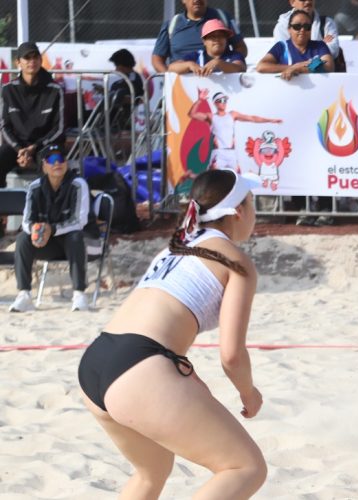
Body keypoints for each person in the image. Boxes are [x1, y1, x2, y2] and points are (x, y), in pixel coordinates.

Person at [77, 169, 267, 498]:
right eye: (253, 202)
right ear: (238, 210)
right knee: (245, 467)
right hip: (139, 368)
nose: (255, 212)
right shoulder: (235, 260)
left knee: (152, 471)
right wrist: (249, 393)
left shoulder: (175, 247)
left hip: (97, 360)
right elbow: (232, 356)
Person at [9, 144, 90, 313]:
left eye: (60, 159)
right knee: (23, 238)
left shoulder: (78, 184)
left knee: (75, 236)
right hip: (48, 244)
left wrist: (51, 229)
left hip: (78, 243)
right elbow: (26, 221)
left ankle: (79, 294)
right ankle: (24, 294)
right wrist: (36, 229)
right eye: (51, 160)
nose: (57, 163)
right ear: (44, 166)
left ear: (66, 163)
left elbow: (79, 221)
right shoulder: (35, 187)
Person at [1, 42, 63, 188]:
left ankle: (48, 208)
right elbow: (5, 126)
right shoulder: (8, 90)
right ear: (18, 62)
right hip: (19, 146)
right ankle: (3, 207)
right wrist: (20, 150)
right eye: (27, 58)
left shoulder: (55, 89)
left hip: (45, 144)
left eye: (35, 57)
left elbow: (58, 129)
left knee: (54, 163)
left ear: (41, 60)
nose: (32, 61)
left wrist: (34, 147)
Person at [188, 89, 282, 174]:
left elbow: (252, 118)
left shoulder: (232, 115)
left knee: (237, 178)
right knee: (214, 179)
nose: (224, 103)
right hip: (218, 153)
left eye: (225, 100)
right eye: (221, 101)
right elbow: (192, 114)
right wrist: (200, 100)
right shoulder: (211, 116)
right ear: (215, 103)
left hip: (231, 153)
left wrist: (270, 120)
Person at [152, 0, 248, 73]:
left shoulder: (223, 17)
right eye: (212, 36)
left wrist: (222, 66)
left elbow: (241, 48)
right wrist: (170, 80)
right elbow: (157, 59)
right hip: (181, 87)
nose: (197, 0)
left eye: (219, 36)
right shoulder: (172, 24)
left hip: (223, 86)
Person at [256, 9, 335, 80]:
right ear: (289, 29)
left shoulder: (319, 46)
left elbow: (328, 66)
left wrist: (299, 68)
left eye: (307, 27)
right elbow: (261, 66)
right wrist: (292, 67)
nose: (302, 30)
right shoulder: (281, 46)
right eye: (297, 26)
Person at [273, 0, 344, 72]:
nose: (307, 2)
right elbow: (285, 55)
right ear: (292, 2)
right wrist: (321, 46)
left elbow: (333, 51)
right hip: (293, 79)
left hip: (322, 78)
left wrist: (301, 59)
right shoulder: (282, 27)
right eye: (302, 0)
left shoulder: (327, 23)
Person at [168, 19, 247, 76]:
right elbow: (171, 68)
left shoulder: (234, 55)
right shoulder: (196, 56)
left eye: (221, 36)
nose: (217, 39)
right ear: (204, 41)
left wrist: (218, 63)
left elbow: (240, 68)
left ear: (226, 39)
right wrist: (189, 65)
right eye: (212, 36)